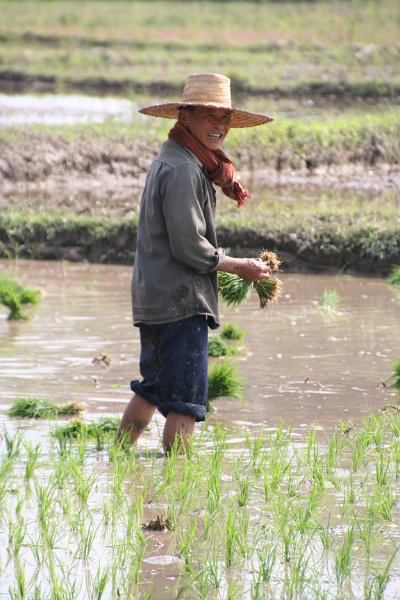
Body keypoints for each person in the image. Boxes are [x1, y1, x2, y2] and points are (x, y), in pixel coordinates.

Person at [117, 73, 273, 452]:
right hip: (180, 302)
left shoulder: (178, 157)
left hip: (156, 296)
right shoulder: (186, 169)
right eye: (208, 115)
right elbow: (189, 246)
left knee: (152, 388)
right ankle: (180, 491)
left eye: (225, 118)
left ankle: (118, 457)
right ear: (185, 117)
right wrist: (239, 265)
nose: (218, 125)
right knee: (184, 403)